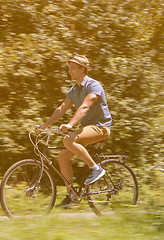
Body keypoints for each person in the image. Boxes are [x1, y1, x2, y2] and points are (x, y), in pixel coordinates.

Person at [38, 54, 112, 208]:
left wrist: (70, 124)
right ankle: (71, 195)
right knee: (62, 157)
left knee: (68, 139)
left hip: (100, 127)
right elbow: (62, 108)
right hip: (86, 128)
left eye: (73, 68)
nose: (69, 71)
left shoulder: (94, 85)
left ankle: (95, 168)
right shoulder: (74, 89)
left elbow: (85, 107)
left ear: (82, 69)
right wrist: (44, 125)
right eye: (69, 69)